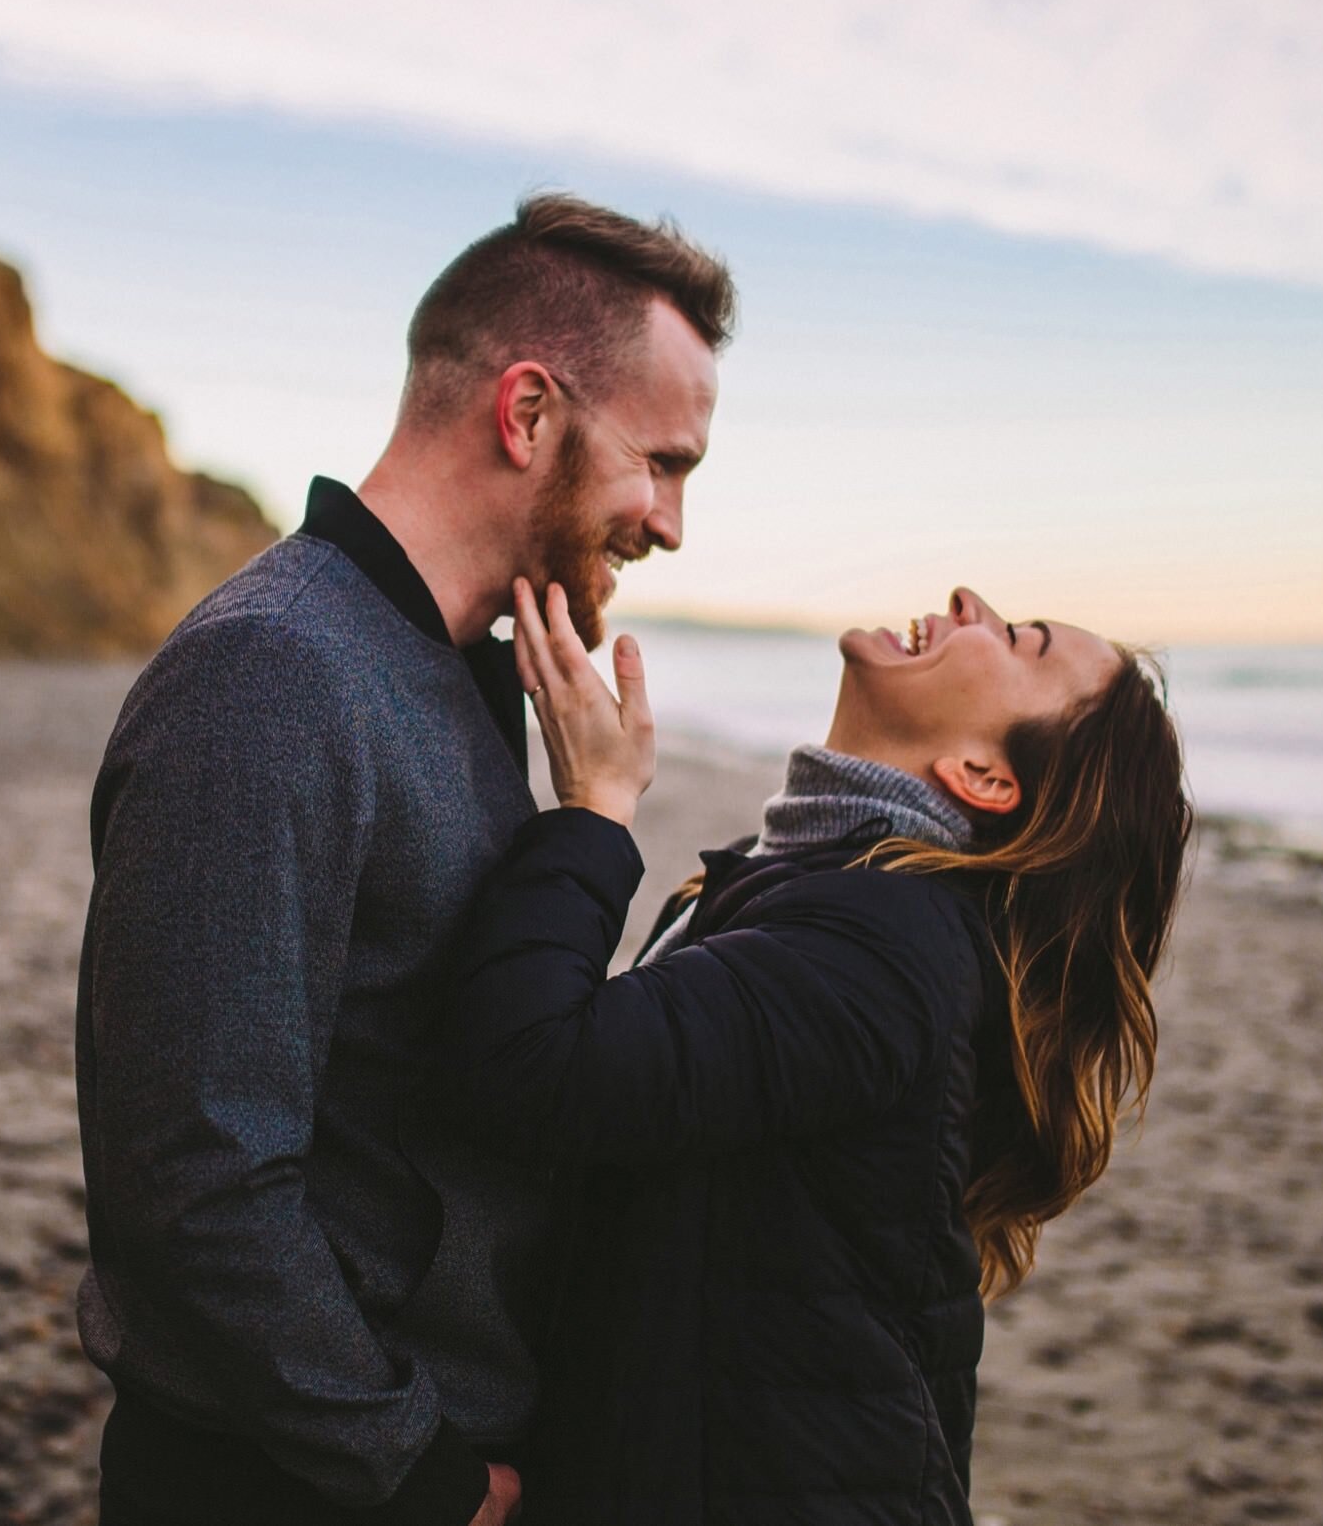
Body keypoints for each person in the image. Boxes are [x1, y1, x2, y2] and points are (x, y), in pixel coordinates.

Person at [73, 194, 733, 1526]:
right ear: (529, 412)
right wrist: (417, 1469)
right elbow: (191, 1178)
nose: (668, 522)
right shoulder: (269, 675)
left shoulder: (460, 673)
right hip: (295, 1485)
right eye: (661, 462)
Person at [435, 579, 1193, 1525]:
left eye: (1020, 642)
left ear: (984, 777)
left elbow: (533, 1067)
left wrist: (597, 807)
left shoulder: (877, 944)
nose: (969, 600)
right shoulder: (827, 892)